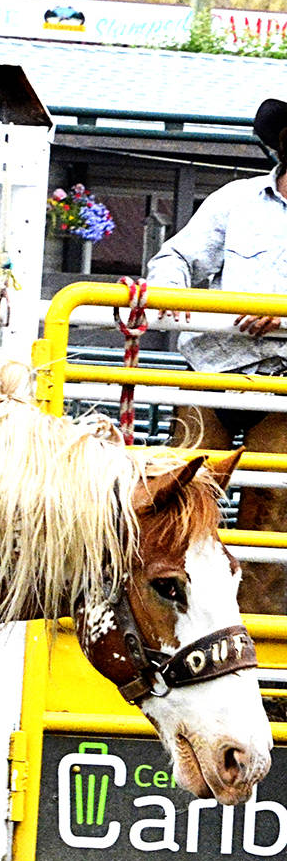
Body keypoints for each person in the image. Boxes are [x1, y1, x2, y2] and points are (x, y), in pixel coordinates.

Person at [146, 97, 287, 611]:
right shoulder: (237, 199)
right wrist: (172, 296)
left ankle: (252, 634)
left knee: (273, 500)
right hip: (212, 369)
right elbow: (177, 256)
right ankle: (169, 609)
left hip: (284, 382)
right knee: (182, 486)